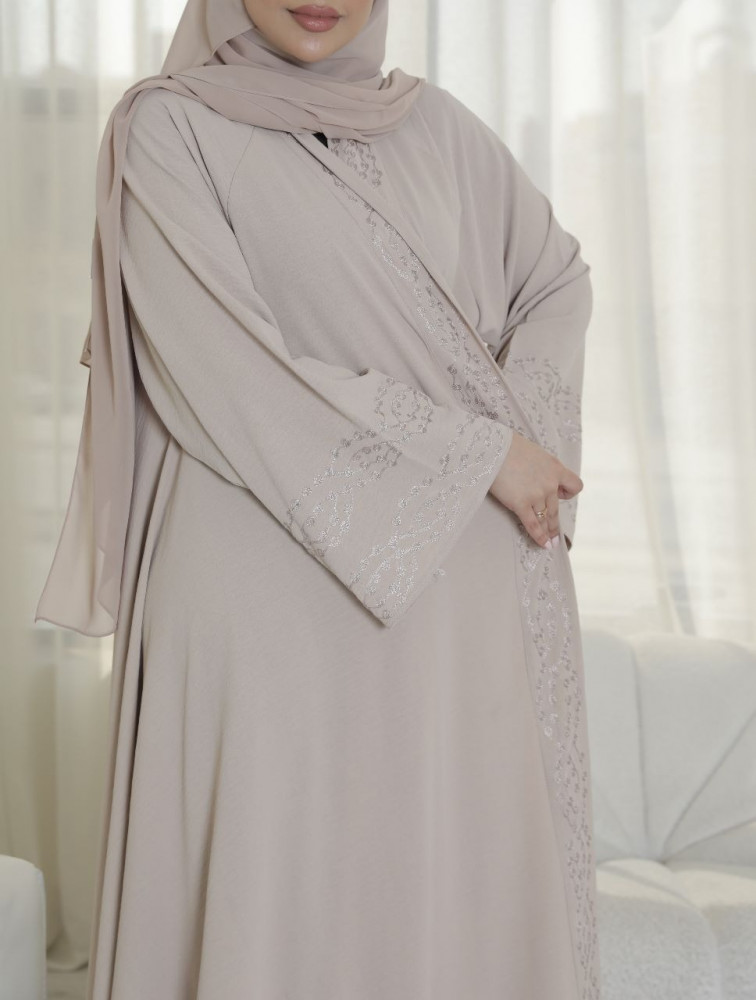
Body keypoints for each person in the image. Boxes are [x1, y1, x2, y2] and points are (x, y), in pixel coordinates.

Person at [34, 0, 601, 997]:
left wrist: (524, 450)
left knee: (419, 904)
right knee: (274, 907)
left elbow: (557, 281)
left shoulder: (437, 130)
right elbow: (225, 364)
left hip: (442, 616)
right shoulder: (168, 128)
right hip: (261, 618)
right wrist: (482, 453)